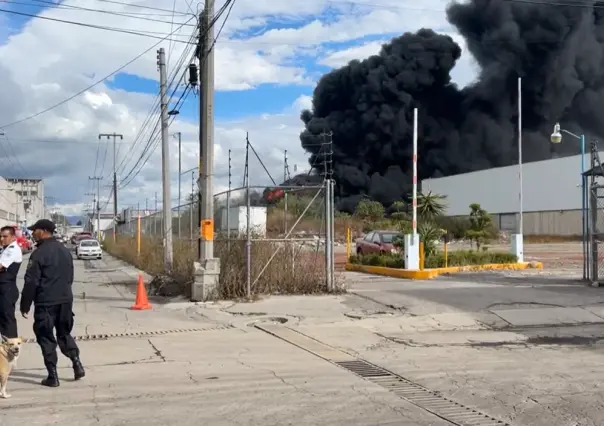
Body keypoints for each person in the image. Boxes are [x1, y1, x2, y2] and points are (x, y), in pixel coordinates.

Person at [20, 219, 85, 387]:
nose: (33, 233)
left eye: (35, 230)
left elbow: (31, 282)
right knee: (64, 333)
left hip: (46, 302)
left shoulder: (38, 254)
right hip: (65, 300)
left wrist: (25, 305)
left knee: (46, 337)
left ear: (43, 231)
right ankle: (76, 363)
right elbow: (70, 277)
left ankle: (52, 376)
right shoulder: (65, 251)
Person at [0, 226, 23, 338]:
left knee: (7, 319)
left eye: (5, 236)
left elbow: (1, 266)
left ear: (13, 237)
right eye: (0, 236)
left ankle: (12, 347)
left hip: (7, 289)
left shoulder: (12, 249)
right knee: (3, 320)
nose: (2, 239)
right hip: (3, 289)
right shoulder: (5, 248)